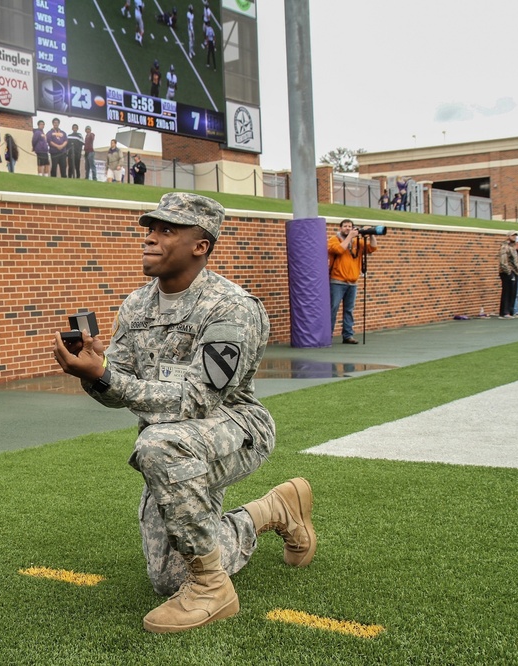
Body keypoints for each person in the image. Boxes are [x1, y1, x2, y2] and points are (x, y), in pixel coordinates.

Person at [53, 192, 315, 634]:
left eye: (166, 230)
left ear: (201, 245)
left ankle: (213, 588)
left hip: (236, 427)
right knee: (168, 579)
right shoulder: (136, 306)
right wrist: (95, 372)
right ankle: (272, 510)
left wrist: (109, 377)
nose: (150, 239)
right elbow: (119, 391)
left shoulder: (231, 307)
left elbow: (198, 398)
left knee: (155, 445)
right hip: (175, 442)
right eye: (149, 229)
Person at [328, 219, 376, 344]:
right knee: (333, 308)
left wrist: (371, 233)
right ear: (340, 228)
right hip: (337, 281)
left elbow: (372, 248)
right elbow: (338, 250)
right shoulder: (334, 239)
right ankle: (327, 335)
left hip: (352, 283)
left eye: (350, 226)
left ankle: (348, 335)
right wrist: (350, 236)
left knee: (349, 310)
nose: (348, 228)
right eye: (345, 226)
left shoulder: (357, 242)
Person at [499, 231, 518, 319]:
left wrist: (517, 272)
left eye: (515, 235)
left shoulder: (513, 247)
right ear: (508, 236)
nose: (514, 237)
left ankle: (510, 311)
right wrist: (509, 272)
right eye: (512, 235)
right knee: (507, 292)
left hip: (514, 272)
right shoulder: (505, 247)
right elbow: (503, 262)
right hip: (507, 273)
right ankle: (505, 312)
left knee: (513, 293)